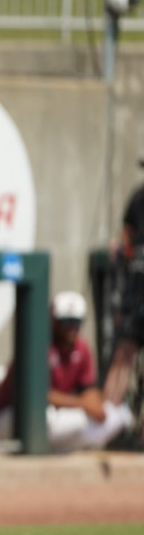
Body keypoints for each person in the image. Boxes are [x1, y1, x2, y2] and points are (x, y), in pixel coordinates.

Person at [0, 291, 134, 451]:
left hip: (59, 417)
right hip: (8, 419)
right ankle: (63, 446)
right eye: (66, 322)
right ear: (54, 322)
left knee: (117, 415)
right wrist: (83, 404)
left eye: (76, 322)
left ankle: (66, 447)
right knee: (61, 419)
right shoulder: (38, 344)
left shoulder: (81, 348)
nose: (72, 328)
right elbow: (38, 396)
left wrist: (95, 403)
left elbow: (87, 389)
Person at [102, 174, 144, 423]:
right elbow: (128, 234)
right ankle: (105, 425)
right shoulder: (139, 196)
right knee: (123, 354)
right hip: (137, 291)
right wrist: (121, 245)